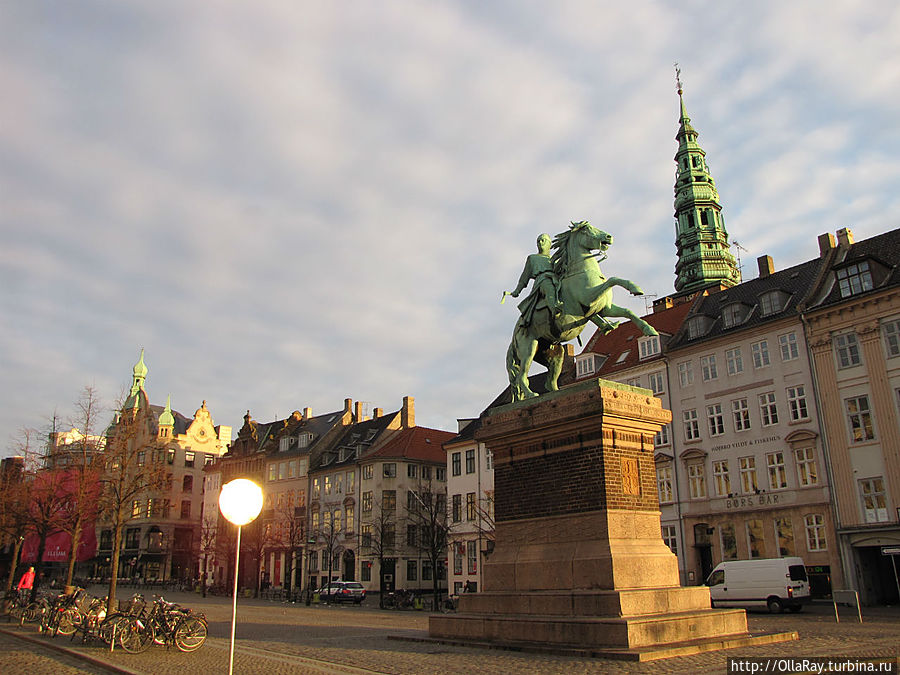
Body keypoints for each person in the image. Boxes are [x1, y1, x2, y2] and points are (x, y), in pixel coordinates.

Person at [508, 233, 563, 324]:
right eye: (538, 241)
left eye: (543, 240)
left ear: (549, 244)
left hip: (556, 280)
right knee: (548, 285)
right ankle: (555, 309)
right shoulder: (532, 258)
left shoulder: (554, 259)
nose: (540, 242)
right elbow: (524, 277)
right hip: (542, 280)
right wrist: (517, 291)